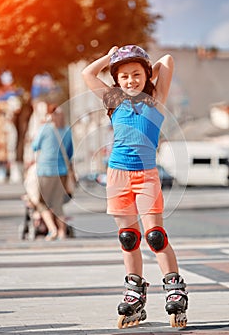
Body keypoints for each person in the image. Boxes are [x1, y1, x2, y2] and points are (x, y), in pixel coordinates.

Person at [82, 45, 188, 328]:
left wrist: (137, 59)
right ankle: (134, 293)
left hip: (146, 175)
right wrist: (111, 56)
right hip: (117, 176)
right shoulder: (113, 100)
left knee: (155, 236)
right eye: (125, 76)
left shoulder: (156, 100)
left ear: (147, 75)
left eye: (137, 74)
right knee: (128, 238)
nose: (131, 80)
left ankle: (174, 289)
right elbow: (87, 73)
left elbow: (168, 59)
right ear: (116, 80)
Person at [32, 105, 74, 241]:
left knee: (42, 202)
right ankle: (62, 231)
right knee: (57, 203)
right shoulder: (67, 130)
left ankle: (52, 229)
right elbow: (70, 152)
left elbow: (35, 146)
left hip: (45, 170)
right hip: (61, 170)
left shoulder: (45, 128)